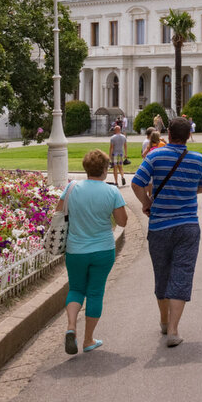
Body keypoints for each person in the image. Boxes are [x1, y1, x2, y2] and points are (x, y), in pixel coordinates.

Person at [131, 117, 202, 347]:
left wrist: (146, 203)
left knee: (162, 273)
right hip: (188, 226)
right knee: (182, 274)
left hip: (160, 225)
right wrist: (185, 187)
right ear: (188, 136)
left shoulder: (155, 156)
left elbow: (137, 182)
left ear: (169, 134)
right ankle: (174, 330)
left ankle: (164, 322)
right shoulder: (197, 159)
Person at [57, 150, 128, 355]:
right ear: (105, 170)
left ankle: (71, 326)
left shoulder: (71, 188)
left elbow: (58, 212)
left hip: (76, 249)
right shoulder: (111, 192)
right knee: (95, 292)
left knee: (76, 289)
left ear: (86, 168)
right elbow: (122, 221)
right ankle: (88, 339)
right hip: (103, 249)